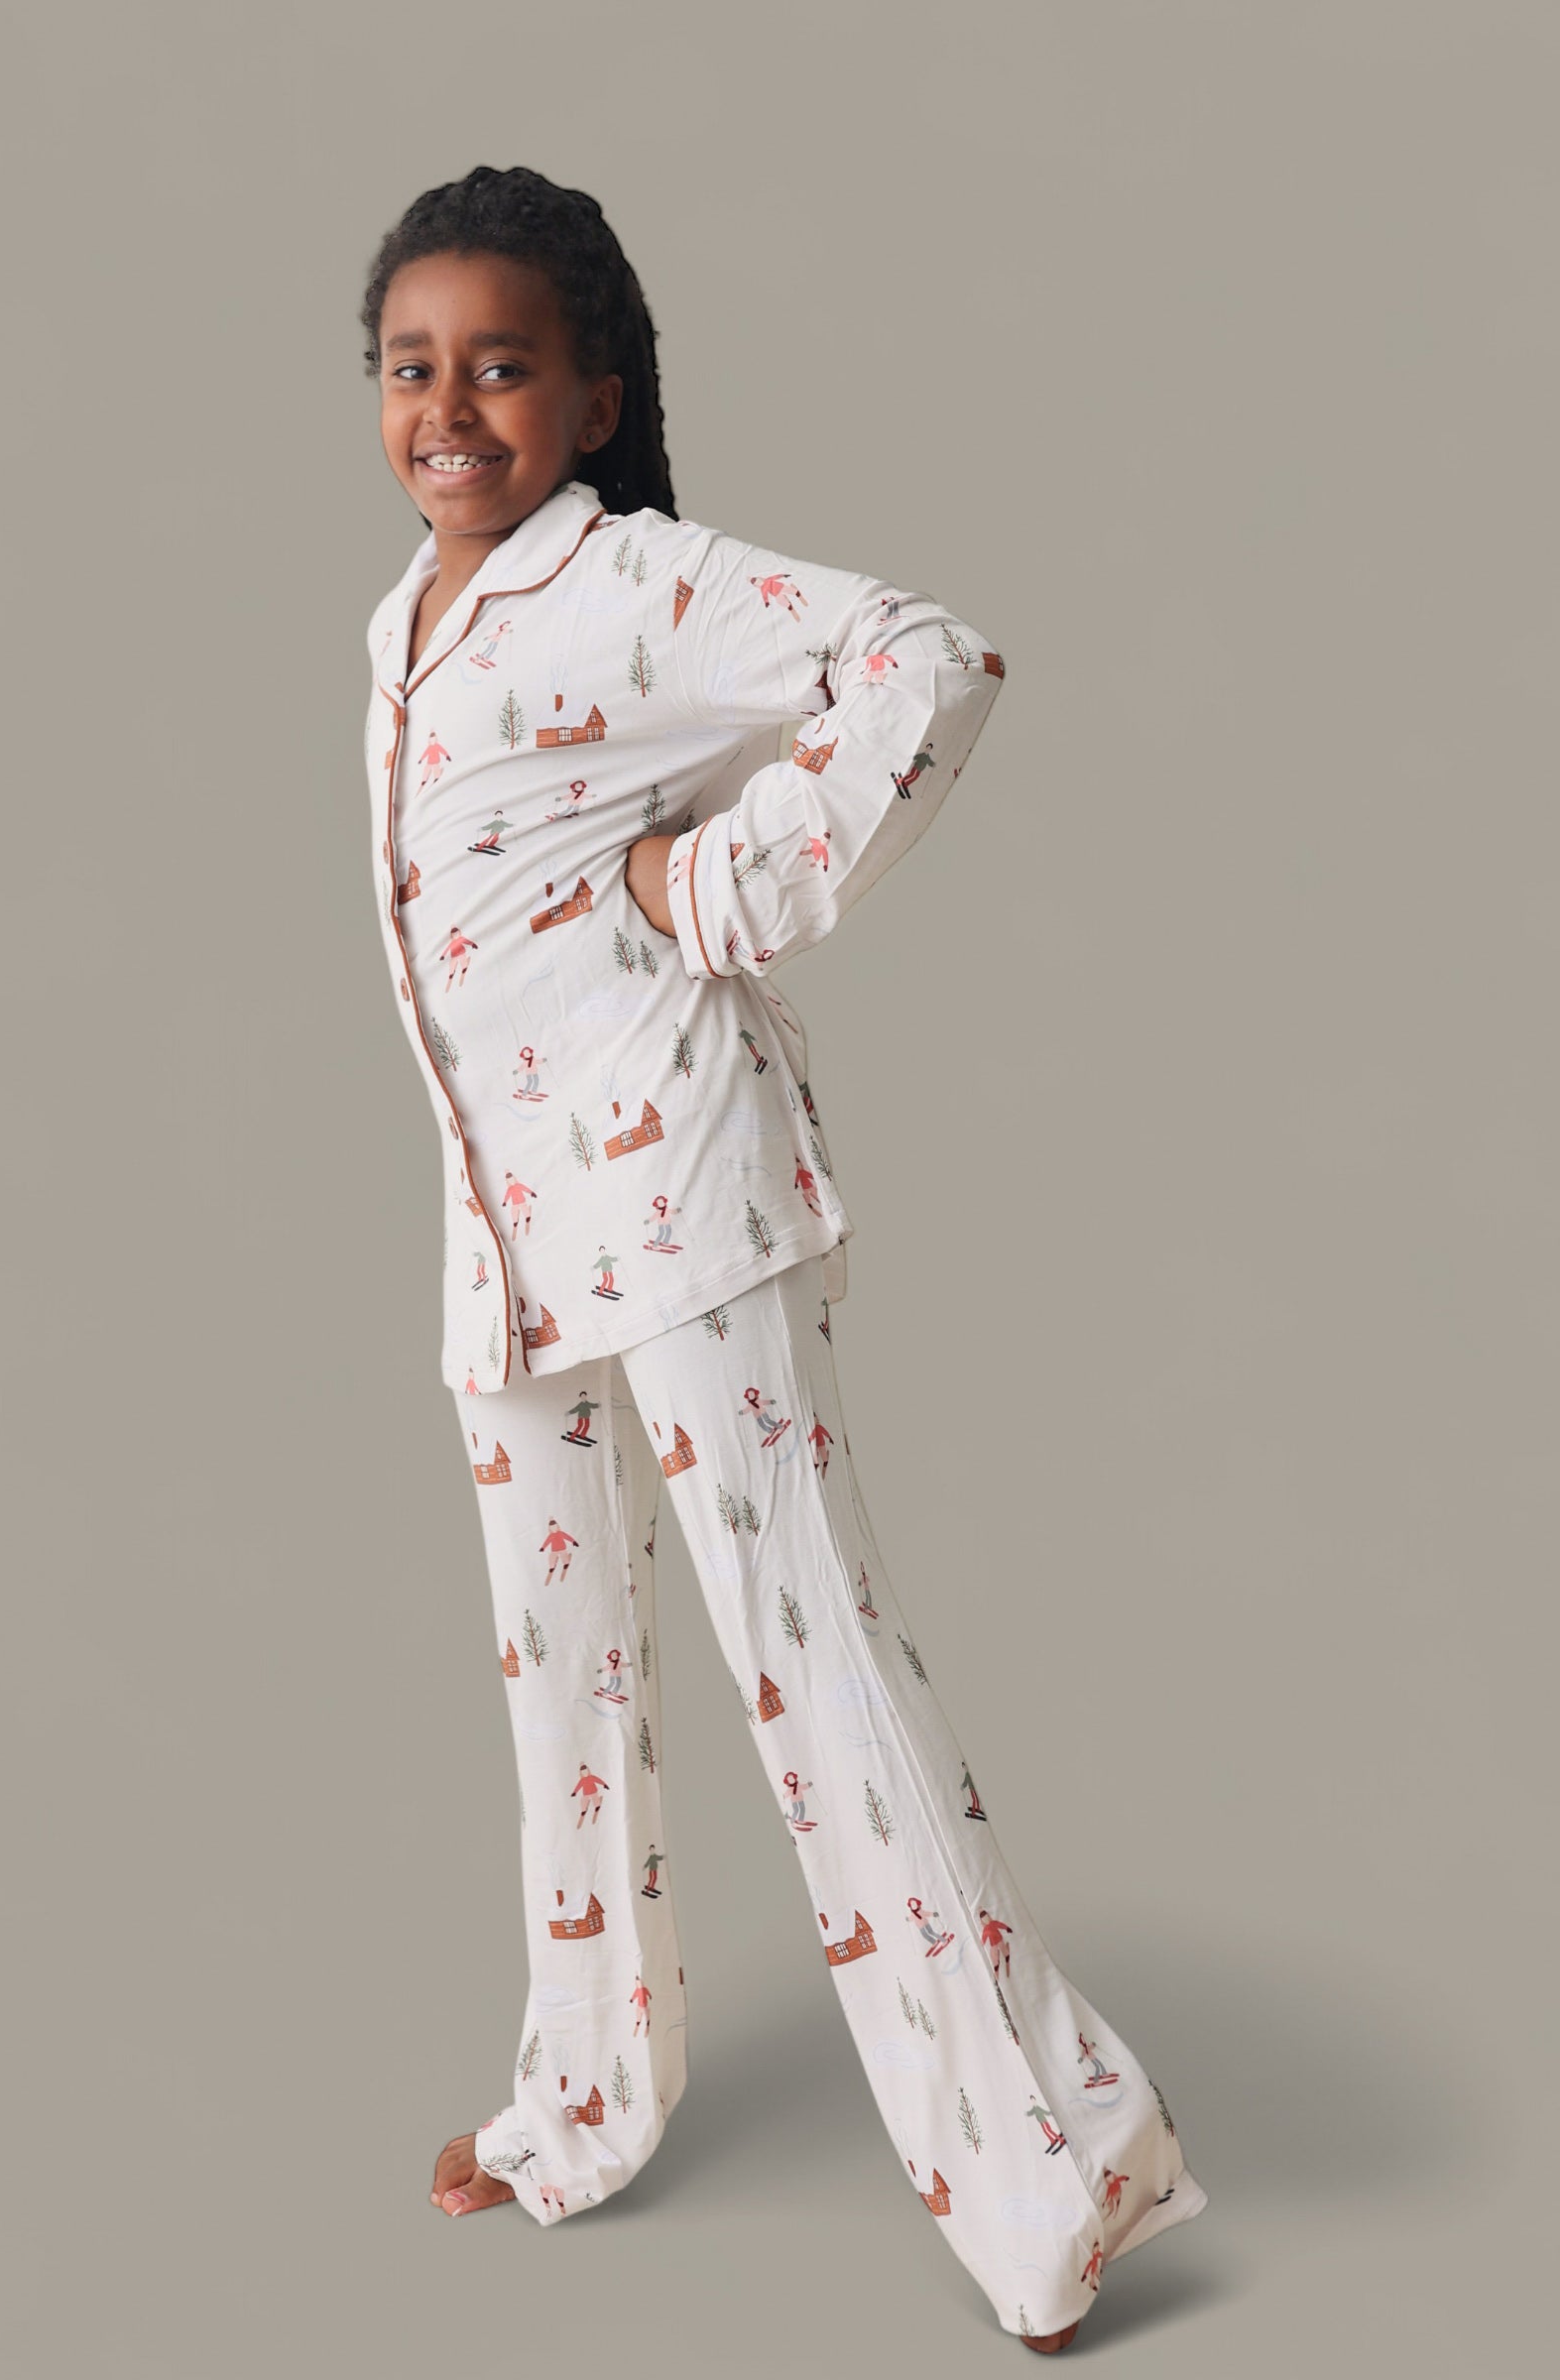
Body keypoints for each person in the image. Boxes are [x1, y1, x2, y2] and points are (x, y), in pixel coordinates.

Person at [358, 162, 1207, 2351]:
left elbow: (929, 660)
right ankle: (580, 2106)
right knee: (560, 1685)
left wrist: (725, 890)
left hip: (677, 1204)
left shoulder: (628, 583)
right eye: (411, 366)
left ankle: (1056, 2181)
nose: (449, 407)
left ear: (592, 397)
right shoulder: (406, 623)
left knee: (816, 1675)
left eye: (500, 366)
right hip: (506, 1240)